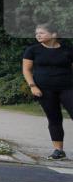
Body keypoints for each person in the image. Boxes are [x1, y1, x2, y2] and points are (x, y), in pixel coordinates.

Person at [22, 23, 73, 160]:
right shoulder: (32, 50)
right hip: (44, 90)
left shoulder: (68, 50)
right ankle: (58, 151)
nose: (38, 35)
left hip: (68, 87)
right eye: (36, 33)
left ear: (54, 35)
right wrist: (32, 86)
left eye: (42, 33)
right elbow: (26, 70)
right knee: (54, 119)